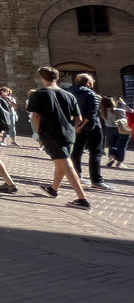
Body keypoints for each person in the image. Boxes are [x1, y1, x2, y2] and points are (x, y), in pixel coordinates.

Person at [27, 66, 89, 209]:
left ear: (42, 78)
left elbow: (35, 116)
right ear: (57, 77)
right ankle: (53, 189)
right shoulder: (69, 95)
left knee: (66, 163)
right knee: (60, 161)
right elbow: (78, 118)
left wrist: (39, 131)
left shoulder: (38, 94)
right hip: (69, 133)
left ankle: (82, 199)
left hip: (51, 132)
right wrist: (70, 127)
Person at [66, 73, 110, 191]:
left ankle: (76, 175)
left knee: (76, 151)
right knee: (95, 152)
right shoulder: (91, 94)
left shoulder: (68, 92)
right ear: (89, 83)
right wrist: (81, 125)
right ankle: (96, 180)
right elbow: (91, 114)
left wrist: (75, 126)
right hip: (92, 127)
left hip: (73, 126)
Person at [103, 96, 130, 168]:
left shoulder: (103, 111)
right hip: (121, 129)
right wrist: (121, 102)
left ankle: (111, 158)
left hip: (109, 128)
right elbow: (130, 111)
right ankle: (119, 162)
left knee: (112, 145)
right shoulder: (119, 110)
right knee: (122, 145)